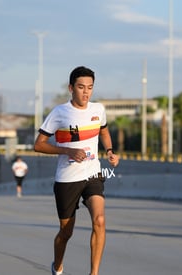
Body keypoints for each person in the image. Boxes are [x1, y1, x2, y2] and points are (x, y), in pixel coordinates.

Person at [34, 66, 119, 275]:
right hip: (67, 179)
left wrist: (109, 150)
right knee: (66, 232)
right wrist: (67, 151)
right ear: (71, 88)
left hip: (92, 174)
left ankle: (94, 273)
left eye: (90, 88)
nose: (86, 92)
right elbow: (38, 144)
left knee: (99, 220)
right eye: (81, 87)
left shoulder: (98, 110)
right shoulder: (59, 112)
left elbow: (104, 131)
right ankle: (58, 266)